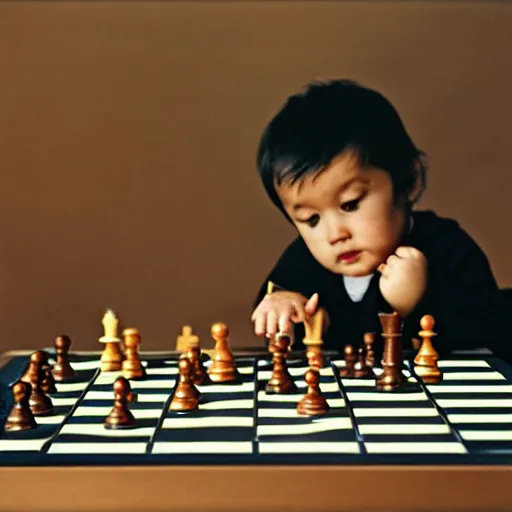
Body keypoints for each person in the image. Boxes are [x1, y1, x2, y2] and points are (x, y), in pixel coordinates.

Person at [251, 78, 509, 359]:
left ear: (406, 182)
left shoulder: (448, 249)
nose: (335, 234)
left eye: (350, 205)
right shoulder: (303, 262)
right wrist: (283, 312)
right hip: (338, 402)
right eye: (311, 220)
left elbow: (491, 339)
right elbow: (276, 322)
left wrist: (420, 302)